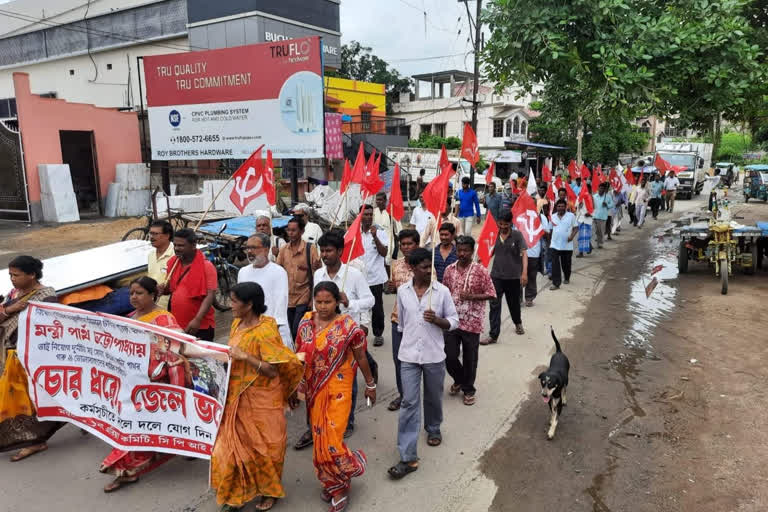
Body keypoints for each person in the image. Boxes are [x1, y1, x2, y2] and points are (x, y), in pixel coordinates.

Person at [211, 282, 303, 512]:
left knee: (266, 450)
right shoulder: (236, 324)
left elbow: (273, 370)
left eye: (234, 301)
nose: (230, 305)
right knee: (229, 449)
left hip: (263, 400)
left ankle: (269, 491)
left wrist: (245, 357)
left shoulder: (265, 330)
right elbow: (232, 356)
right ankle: (235, 494)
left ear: (249, 304)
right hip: (236, 397)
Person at [294, 282, 377, 511]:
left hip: (339, 388)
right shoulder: (305, 323)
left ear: (338, 302)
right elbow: (299, 354)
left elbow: (361, 357)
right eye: (318, 302)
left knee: (331, 440)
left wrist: (370, 384)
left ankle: (341, 485)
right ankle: (334, 480)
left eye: (328, 302)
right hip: (314, 389)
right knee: (319, 439)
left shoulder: (349, 327)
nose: (322, 307)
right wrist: (296, 386)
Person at [99, 277, 181, 492]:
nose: (134, 297)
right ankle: (129, 467)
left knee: (139, 427)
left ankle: (126, 470)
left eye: (139, 293)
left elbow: (175, 350)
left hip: (156, 383)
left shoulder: (164, 319)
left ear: (153, 294)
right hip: (131, 384)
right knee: (133, 427)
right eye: (131, 293)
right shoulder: (129, 318)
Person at [388, 249, 458, 480]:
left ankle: (433, 427)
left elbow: (454, 321)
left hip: (434, 355)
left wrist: (437, 320)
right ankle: (407, 456)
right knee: (409, 402)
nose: (429, 270)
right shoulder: (402, 291)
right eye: (424, 267)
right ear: (413, 268)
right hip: (408, 355)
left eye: (431, 266)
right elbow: (402, 324)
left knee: (432, 396)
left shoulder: (442, 292)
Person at [313, 231, 377, 440]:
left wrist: (350, 303)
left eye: (329, 250)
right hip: (324, 335)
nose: (325, 255)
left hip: (348, 336)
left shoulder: (354, 274)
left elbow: (370, 300)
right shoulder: (318, 275)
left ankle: (347, 419)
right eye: (322, 251)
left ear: (340, 251)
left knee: (348, 379)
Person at [0, 255, 62, 461]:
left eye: (16, 275)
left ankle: (35, 441)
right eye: (10, 275)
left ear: (32, 275)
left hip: (29, 357)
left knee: (27, 401)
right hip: (8, 355)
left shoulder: (46, 296)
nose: (12, 279)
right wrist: (10, 309)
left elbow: (50, 329)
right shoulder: (14, 294)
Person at [442, 236, 496, 405]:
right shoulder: (449, 269)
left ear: (472, 251)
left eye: (466, 250)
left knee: (470, 358)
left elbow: (492, 294)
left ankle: (468, 389)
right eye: (459, 250)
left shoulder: (481, 270)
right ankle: (459, 379)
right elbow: (444, 292)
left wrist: (472, 296)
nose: (462, 253)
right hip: (451, 321)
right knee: (448, 355)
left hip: (472, 322)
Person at [159, 229, 217, 340]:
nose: (176, 249)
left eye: (181, 246)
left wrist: (197, 319)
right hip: (177, 324)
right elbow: (171, 289)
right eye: (175, 245)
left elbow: (210, 296)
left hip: (200, 325)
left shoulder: (207, 266)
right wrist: (162, 289)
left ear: (193, 245)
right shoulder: (173, 263)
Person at [238, 233, 293, 349]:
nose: (249, 251)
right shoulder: (242, 272)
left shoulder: (278, 272)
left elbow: (280, 306)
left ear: (266, 249)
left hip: (273, 332)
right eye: (247, 248)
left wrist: (270, 333)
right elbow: (240, 304)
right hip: (248, 332)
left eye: (254, 248)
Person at [385, 229, 418, 412]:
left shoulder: (425, 265)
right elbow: (393, 290)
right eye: (402, 244)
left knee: (417, 361)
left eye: (409, 244)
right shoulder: (395, 265)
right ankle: (403, 394)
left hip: (419, 322)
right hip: (398, 319)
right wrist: (390, 288)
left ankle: (414, 393)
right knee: (399, 360)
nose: (405, 247)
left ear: (417, 244)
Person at [483, 209, 528, 343]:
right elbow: (487, 253)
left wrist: (524, 273)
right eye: (500, 224)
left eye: (505, 225)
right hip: (496, 276)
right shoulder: (493, 235)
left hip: (513, 277)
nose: (502, 227)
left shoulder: (517, 235)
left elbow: (524, 254)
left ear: (510, 223)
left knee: (514, 303)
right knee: (494, 305)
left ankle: (517, 322)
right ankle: (493, 335)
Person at [277, 216, 322, 342]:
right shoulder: (283, 250)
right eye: (288, 230)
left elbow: (316, 275)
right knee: (288, 330)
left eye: (294, 230)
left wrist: (312, 299)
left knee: (297, 329)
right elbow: (278, 272)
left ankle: (300, 356)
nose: (290, 233)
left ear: (302, 231)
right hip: (286, 298)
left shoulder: (310, 249)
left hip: (303, 296)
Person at [360, 204, 389, 347]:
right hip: (359, 278)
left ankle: (378, 334)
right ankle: (358, 334)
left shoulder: (380, 232)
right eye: (365, 214)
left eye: (371, 214)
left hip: (375, 278)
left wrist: (375, 237)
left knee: (377, 308)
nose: (368, 217)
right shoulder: (353, 233)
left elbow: (384, 253)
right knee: (359, 307)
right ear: (360, 216)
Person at [549, 199, 579, 290]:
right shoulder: (552, 217)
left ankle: (566, 277)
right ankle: (556, 283)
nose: (560, 208)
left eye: (562, 206)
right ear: (556, 207)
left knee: (566, 264)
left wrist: (572, 237)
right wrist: (550, 240)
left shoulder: (571, 216)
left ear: (566, 207)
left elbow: (576, 228)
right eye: (559, 206)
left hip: (567, 245)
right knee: (555, 264)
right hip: (555, 244)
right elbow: (550, 230)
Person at [523, 209, 550, 306]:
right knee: (518, 277)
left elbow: (547, 234)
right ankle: (517, 298)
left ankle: (529, 298)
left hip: (534, 252)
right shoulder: (520, 216)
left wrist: (540, 227)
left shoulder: (542, 217)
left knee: (531, 276)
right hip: (520, 253)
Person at [147, 220, 174, 309]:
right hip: (152, 304)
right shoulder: (151, 255)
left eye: (155, 234)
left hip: (169, 306)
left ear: (167, 235)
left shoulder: (175, 255)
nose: (151, 237)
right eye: (151, 233)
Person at [374, 192, 402, 269]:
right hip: (376, 243)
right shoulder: (373, 212)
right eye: (377, 200)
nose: (378, 202)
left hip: (390, 243)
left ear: (385, 201)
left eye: (380, 200)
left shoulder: (391, 212)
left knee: (390, 266)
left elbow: (398, 230)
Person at [591, 183, 614, 249]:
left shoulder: (608, 196)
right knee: (594, 230)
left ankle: (600, 243)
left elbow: (612, 204)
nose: (601, 189)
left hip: (603, 217)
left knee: (601, 231)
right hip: (595, 216)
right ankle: (592, 244)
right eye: (600, 188)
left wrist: (607, 205)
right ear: (598, 188)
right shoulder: (594, 196)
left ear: (604, 189)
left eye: (602, 188)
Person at [575, 187, 594, 258]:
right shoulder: (579, 197)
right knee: (581, 236)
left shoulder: (591, 198)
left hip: (588, 219)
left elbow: (594, 209)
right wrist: (579, 204)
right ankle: (583, 250)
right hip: (580, 219)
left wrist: (590, 214)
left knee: (585, 236)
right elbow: (576, 206)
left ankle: (582, 251)